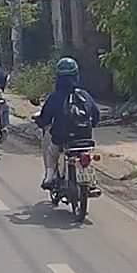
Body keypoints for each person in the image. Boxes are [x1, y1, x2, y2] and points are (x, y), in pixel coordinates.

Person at [32, 57, 100, 189]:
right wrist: (92, 124)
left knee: (51, 153)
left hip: (61, 138)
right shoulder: (84, 95)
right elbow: (96, 115)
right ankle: (91, 181)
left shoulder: (54, 97)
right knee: (87, 155)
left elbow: (45, 118)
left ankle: (49, 177)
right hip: (85, 139)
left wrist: (40, 122)